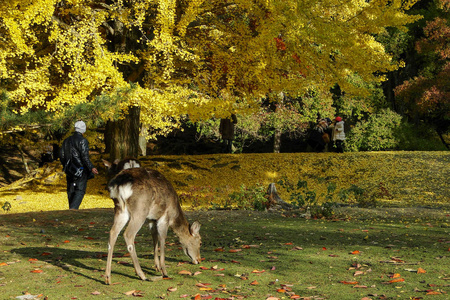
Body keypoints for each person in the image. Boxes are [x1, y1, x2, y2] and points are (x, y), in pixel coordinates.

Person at [60, 121, 98, 209]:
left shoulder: (66, 140)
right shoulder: (83, 141)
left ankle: (72, 208)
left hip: (69, 169)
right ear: (83, 130)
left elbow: (61, 155)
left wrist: (66, 165)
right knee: (80, 190)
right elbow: (84, 157)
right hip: (81, 169)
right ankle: (73, 209)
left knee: (71, 190)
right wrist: (91, 167)